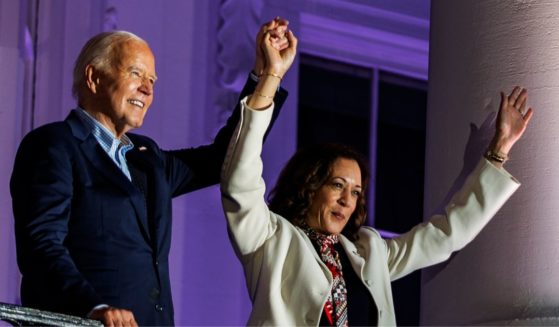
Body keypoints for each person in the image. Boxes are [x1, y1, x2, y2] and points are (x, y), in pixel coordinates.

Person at [219, 30, 534, 325]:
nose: (347, 200)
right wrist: (271, 77)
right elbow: (240, 179)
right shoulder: (271, 239)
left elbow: (445, 236)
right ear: (309, 187)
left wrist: (498, 151)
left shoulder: (369, 251)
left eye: (356, 192)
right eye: (338, 185)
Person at [11, 18, 292, 327]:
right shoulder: (54, 145)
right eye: (135, 74)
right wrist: (93, 307)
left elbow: (221, 158)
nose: (147, 88)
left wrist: (268, 75)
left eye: (152, 81)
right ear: (93, 78)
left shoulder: (147, 159)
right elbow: (42, 246)